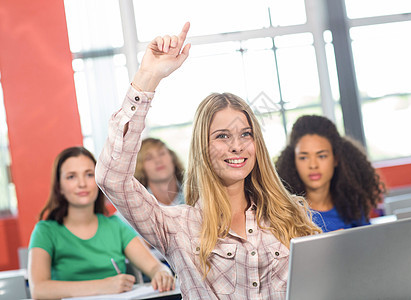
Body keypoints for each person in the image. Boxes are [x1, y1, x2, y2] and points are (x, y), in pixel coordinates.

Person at [95, 22, 321, 299]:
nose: (237, 146)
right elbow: (112, 178)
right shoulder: (177, 227)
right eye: (222, 136)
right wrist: (148, 76)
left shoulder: (289, 216)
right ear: (203, 148)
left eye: (245, 134)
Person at [28, 146, 175, 300]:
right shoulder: (45, 231)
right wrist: (102, 286)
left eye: (89, 174)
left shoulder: (115, 226)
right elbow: (39, 289)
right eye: (71, 177)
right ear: (60, 187)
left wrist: (162, 273)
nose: (82, 183)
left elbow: (154, 266)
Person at [276, 115, 385, 232]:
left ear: (335, 159)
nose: (313, 165)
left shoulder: (352, 208)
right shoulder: (285, 215)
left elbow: (370, 246)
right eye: (303, 157)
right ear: (293, 161)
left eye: (322, 156)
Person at [134, 137, 185, 206]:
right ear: (141, 167)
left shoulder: (197, 195)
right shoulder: (136, 205)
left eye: (161, 153)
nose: (158, 160)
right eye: (149, 158)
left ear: (172, 158)